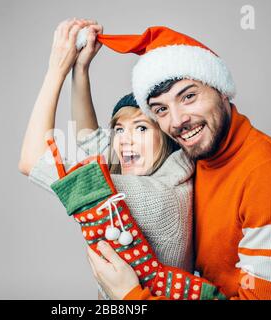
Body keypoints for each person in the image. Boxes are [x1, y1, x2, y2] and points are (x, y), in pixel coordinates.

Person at [84, 26, 271, 300]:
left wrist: (131, 297)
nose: (178, 120)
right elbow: (93, 145)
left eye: (188, 96)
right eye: (161, 109)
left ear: (221, 90)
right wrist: (78, 69)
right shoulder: (189, 159)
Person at [18, 19, 196, 299]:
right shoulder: (175, 177)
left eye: (141, 128)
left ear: (168, 138)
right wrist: (81, 69)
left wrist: (56, 70)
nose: (125, 139)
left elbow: (31, 161)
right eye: (119, 129)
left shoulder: (157, 197)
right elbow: (88, 138)